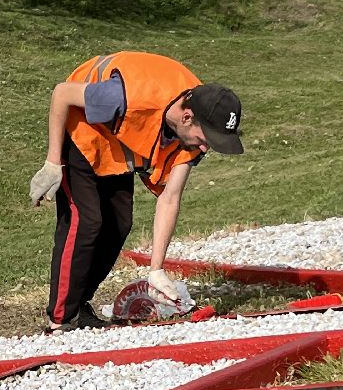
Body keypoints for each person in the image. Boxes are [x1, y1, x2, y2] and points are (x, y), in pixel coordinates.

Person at [29, 51, 243, 331]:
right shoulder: (123, 97)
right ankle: (61, 319)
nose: (205, 148)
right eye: (206, 139)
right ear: (187, 117)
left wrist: (156, 270)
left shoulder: (196, 127)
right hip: (80, 129)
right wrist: (53, 162)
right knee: (87, 221)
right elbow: (61, 94)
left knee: (119, 223)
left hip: (117, 140)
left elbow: (170, 197)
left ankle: (78, 304)